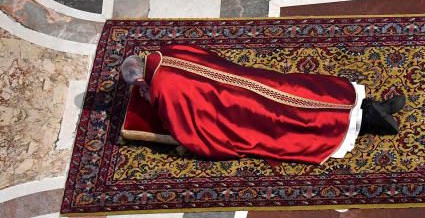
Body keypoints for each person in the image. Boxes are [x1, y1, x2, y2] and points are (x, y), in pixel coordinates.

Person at [119, 45, 405, 164]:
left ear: (141, 80)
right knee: (293, 88)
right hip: (242, 78)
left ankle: (368, 119)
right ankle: (366, 105)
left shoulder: (163, 89)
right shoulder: (168, 51)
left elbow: (188, 128)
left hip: (235, 107)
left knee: (286, 119)